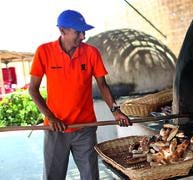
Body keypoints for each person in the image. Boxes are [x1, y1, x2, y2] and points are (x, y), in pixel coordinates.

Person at [28, 9, 132, 180]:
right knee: (53, 176)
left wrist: (116, 111)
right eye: (78, 32)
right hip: (56, 129)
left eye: (84, 32)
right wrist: (50, 117)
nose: (83, 36)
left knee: (91, 176)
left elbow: (102, 85)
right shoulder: (44, 52)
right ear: (62, 31)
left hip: (85, 128)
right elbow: (33, 89)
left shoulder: (91, 53)